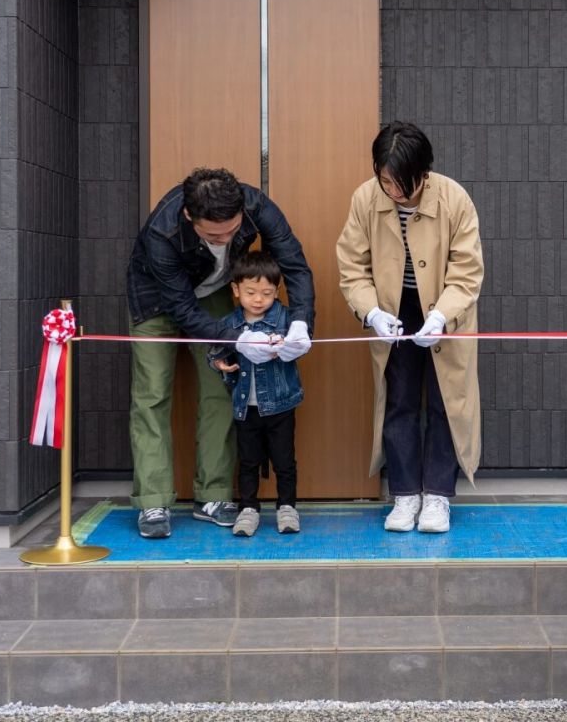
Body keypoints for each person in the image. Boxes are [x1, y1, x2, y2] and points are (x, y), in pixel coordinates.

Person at [127, 167, 314, 539]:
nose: (226, 238)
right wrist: (238, 336)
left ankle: (211, 495)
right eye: (214, 235)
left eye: (233, 230)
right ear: (188, 216)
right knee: (152, 393)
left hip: (213, 292)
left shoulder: (257, 206)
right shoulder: (161, 232)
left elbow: (293, 264)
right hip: (156, 300)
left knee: (220, 385)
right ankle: (153, 498)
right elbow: (181, 310)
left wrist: (301, 322)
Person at [336, 122, 484, 534]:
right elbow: (352, 266)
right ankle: (404, 496)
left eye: (403, 183)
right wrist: (370, 312)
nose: (394, 191)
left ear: (425, 172)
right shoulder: (366, 199)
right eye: (385, 180)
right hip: (393, 313)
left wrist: (442, 315)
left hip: (444, 314)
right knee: (399, 402)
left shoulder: (454, 199)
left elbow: (467, 272)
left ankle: (437, 496)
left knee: (445, 403)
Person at [209, 252, 304, 537]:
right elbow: (214, 351)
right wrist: (219, 363)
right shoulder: (229, 322)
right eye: (250, 292)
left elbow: (300, 343)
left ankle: (287, 507)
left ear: (278, 290)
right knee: (248, 461)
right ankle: (248, 508)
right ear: (236, 290)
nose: (259, 299)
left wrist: (287, 343)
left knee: (284, 461)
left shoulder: (286, 318)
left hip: (280, 405)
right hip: (244, 407)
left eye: (267, 293)